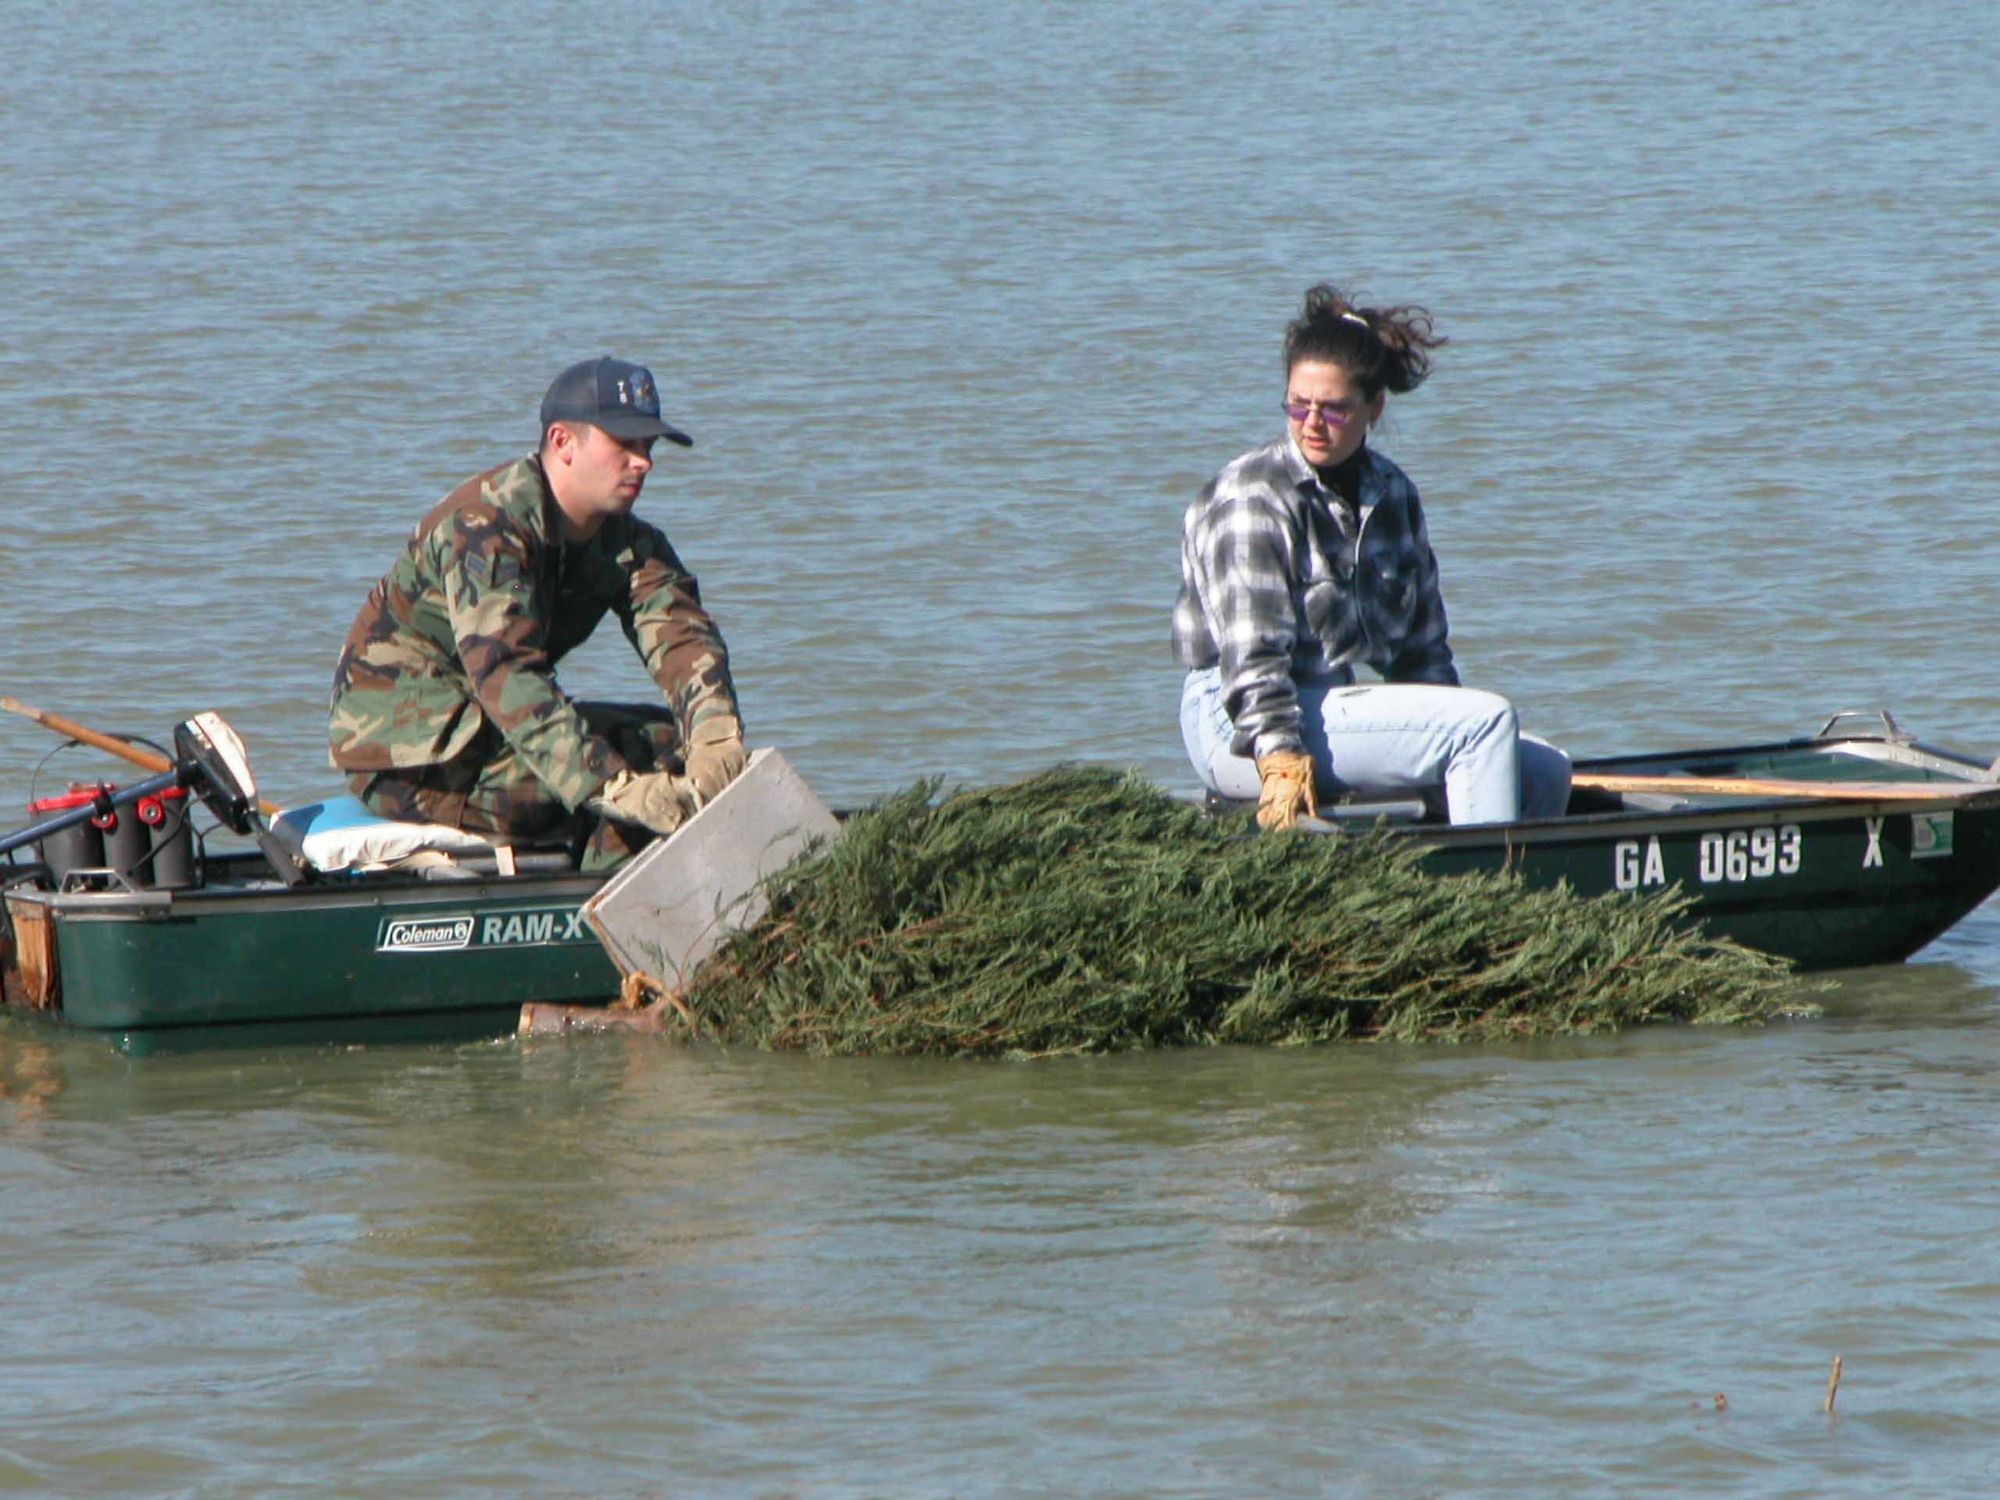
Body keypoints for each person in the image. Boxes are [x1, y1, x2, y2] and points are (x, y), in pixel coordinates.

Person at [1172, 285, 1570, 831]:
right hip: (1241, 722)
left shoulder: (1394, 494)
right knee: (1485, 724)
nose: (1312, 422)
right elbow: (1251, 660)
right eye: (1297, 404)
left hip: (1329, 702)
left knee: (1545, 771)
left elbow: (1422, 654)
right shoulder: (1253, 499)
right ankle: (1491, 900)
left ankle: (1450, 868)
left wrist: (1442, 734)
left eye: (1333, 408)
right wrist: (1281, 760)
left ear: (1373, 406)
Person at [328, 356, 746, 867]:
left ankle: (633, 888)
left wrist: (715, 738)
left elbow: (684, 640)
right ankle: (609, 922)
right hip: (414, 759)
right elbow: (509, 675)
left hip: (490, 727)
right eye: (625, 444)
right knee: (630, 787)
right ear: (563, 442)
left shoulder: (628, 541)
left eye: (648, 446)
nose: (644, 462)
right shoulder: (486, 527)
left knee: (672, 741)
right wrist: (612, 787)